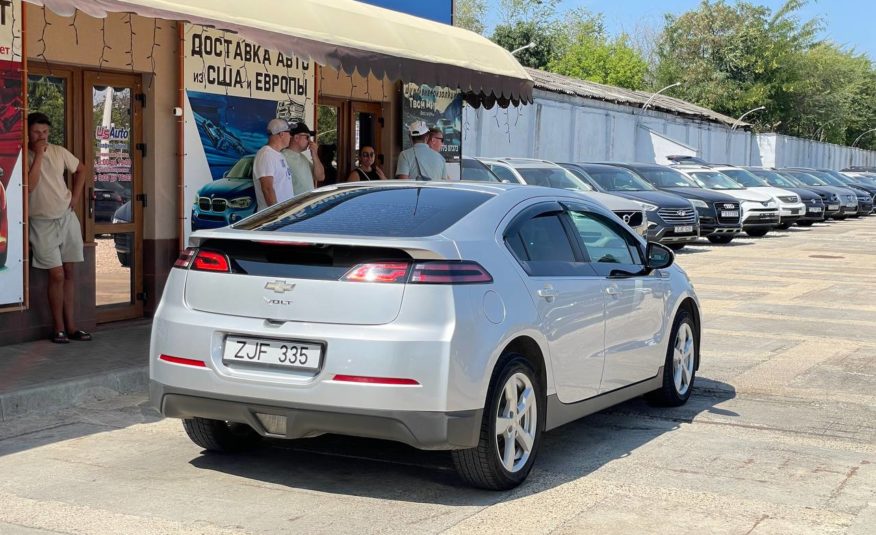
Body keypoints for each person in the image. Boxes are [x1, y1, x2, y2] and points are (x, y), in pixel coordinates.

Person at [26, 112, 91, 344]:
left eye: (44, 132)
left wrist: (75, 197)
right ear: (28, 133)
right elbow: (30, 186)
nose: (41, 136)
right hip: (41, 222)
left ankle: (72, 326)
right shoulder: (25, 155)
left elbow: (82, 169)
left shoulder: (60, 151)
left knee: (70, 272)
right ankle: (58, 328)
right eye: (36, 132)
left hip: (67, 218)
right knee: (57, 274)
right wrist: (39, 157)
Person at [253, 118, 293, 212]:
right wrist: (277, 215)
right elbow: (267, 188)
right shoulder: (266, 154)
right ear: (281, 134)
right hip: (273, 218)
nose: (290, 136)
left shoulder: (278, 155)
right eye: (289, 132)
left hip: (284, 215)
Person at [282, 121, 324, 195]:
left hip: (306, 203)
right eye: (307, 137)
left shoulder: (303, 157)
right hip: (294, 204)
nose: (309, 141)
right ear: (296, 137)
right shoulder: (282, 156)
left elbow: (320, 177)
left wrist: (315, 155)